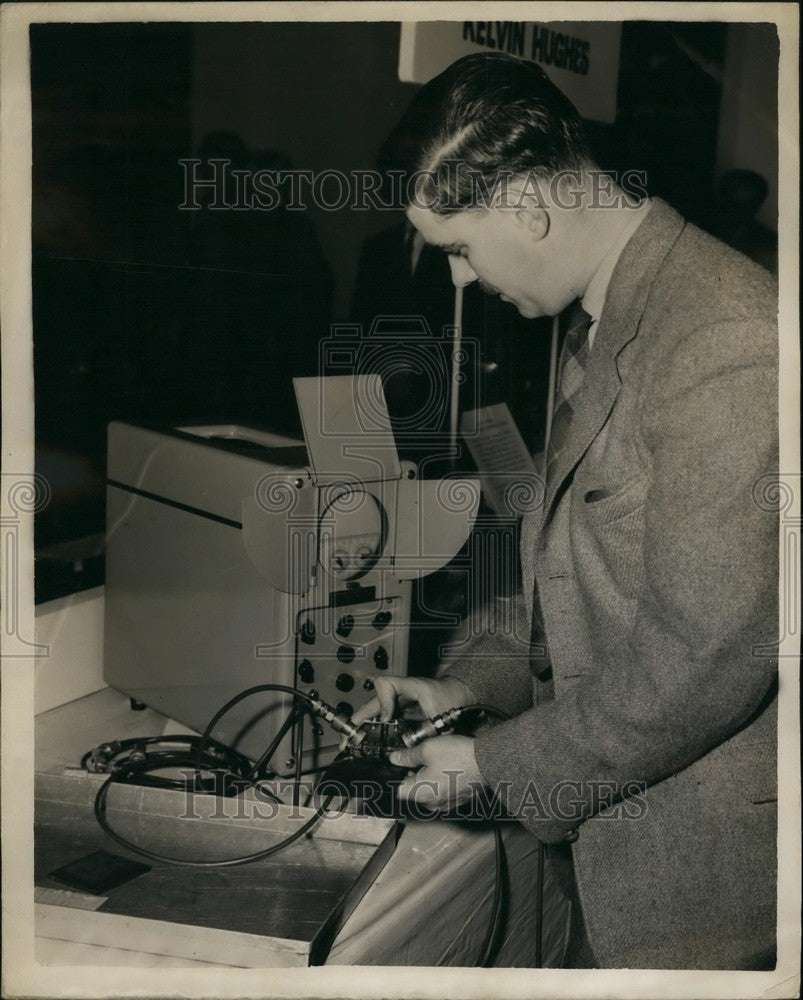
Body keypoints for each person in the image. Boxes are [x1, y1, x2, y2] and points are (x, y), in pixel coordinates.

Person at [351, 53, 778, 970]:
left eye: (458, 247)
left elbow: (704, 654)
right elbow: (566, 560)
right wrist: (470, 685)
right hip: (628, 840)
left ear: (528, 210)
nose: (459, 281)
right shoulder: (616, 316)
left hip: (710, 883)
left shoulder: (727, 339)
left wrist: (495, 766)